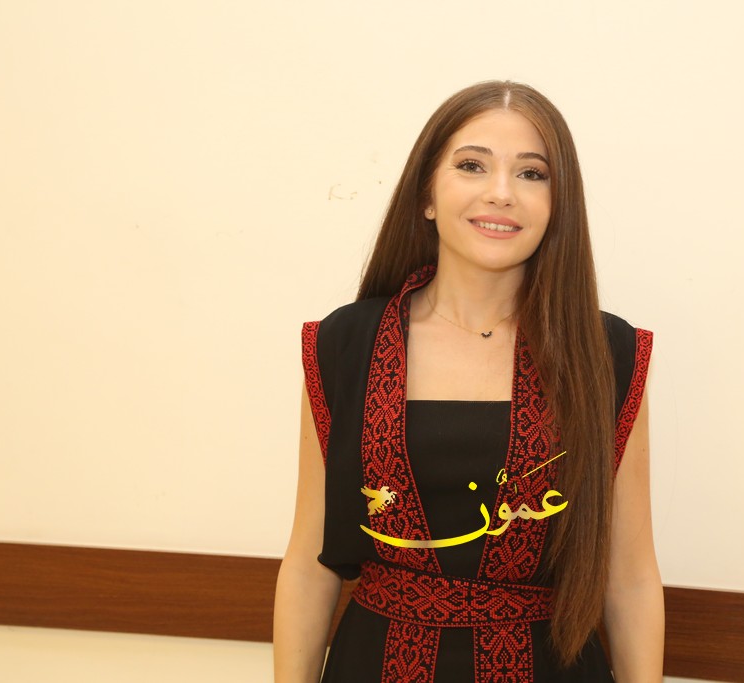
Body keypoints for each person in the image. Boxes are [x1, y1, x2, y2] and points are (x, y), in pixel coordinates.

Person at [273, 80, 664, 682]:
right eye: (472, 165)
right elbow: (309, 562)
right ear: (426, 195)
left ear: (558, 205)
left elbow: (630, 578)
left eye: (532, 173)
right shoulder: (345, 345)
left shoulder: (605, 353)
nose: (501, 192)